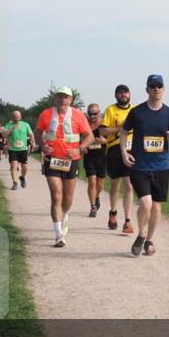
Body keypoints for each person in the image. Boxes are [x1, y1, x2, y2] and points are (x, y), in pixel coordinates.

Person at [121, 75, 169, 257]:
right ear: (147, 89)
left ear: (164, 89)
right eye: (152, 86)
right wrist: (124, 152)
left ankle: (150, 240)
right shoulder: (137, 112)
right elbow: (124, 132)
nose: (156, 89)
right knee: (145, 203)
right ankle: (141, 234)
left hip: (161, 167)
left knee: (156, 207)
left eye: (159, 86)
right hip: (140, 166)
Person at [35, 87, 94, 248]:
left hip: (71, 160)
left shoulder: (78, 115)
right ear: (56, 98)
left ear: (71, 99)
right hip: (52, 159)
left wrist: (79, 149)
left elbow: (90, 136)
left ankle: (65, 215)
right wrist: (42, 145)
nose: (63, 99)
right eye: (60, 96)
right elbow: (38, 132)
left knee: (67, 197)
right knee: (56, 195)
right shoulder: (46, 114)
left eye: (66, 97)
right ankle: (58, 234)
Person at [99, 84, 136, 234]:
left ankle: (128, 221)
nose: (123, 95)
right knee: (115, 186)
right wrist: (120, 129)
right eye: (120, 93)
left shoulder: (135, 110)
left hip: (131, 149)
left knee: (129, 185)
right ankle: (113, 212)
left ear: (129, 94)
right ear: (116, 96)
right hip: (114, 149)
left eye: (125, 92)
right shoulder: (111, 110)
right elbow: (102, 130)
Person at [82, 103, 108, 217]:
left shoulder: (104, 123)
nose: (92, 116)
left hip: (102, 157)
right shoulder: (84, 123)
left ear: (99, 112)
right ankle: (93, 207)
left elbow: (114, 139)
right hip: (89, 157)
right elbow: (78, 138)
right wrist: (82, 147)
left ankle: (96, 196)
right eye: (90, 114)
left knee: (100, 184)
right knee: (92, 181)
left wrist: (105, 141)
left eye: (95, 114)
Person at [2, 110, 35, 190]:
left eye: (18, 117)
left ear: (20, 116)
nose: (16, 118)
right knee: (13, 166)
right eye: (15, 117)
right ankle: (15, 183)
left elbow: (31, 134)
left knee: (25, 168)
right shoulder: (8, 125)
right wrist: (12, 129)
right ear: (12, 117)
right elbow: (4, 135)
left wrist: (33, 142)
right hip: (13, 149)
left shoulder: (25, 124)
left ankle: (22, 177)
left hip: (23, 149)